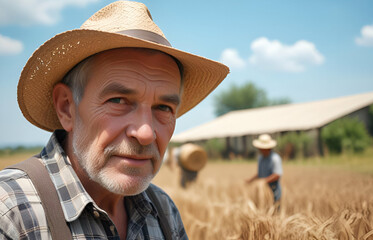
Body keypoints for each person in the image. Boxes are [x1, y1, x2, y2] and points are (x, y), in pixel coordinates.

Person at [0, 1, 228, 239]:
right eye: (118, 101)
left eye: (163, 107)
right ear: (66, 108)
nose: (146, 133)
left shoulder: (164, 212)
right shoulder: (11, 212)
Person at [247, 134, 283, 203]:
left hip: (274, 189)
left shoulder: (275, 158)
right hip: (262, 191)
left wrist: (264, 181)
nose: (260, 150)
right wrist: (250, 180)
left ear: (268, 148)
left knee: (274, 209)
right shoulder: (261, 158)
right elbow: (260, 174)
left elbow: (277, 175)